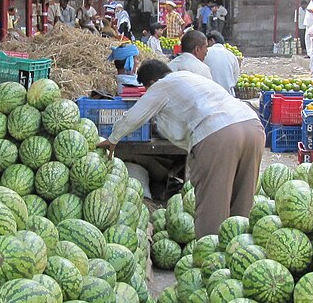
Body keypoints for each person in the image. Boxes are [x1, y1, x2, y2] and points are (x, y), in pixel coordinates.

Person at [100, 60, 264, 238]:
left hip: (219, 134)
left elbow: (134, 116)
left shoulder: (161, 86)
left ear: (152, 83)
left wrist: (113, 138)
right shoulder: (190, 78)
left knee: (213, 205)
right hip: (253, 127)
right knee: (242, 201)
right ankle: (240, 247)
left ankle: (211, 252)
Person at [204, 31, 240, 95]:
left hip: (210, 94)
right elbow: (235, 77)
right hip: (228, 95)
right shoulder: (231, 55)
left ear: (212, 40)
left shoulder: (205, 53)